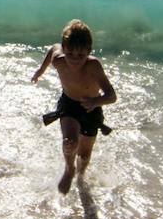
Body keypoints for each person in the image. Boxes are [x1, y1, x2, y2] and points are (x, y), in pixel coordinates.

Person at [31, 18, 115, 195]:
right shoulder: (59, 59)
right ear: (65, 49)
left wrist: (95, 101)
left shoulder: (94, 66)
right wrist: (41, 70)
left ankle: (80, 175)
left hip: (91, 109)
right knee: (70, 142)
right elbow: (53, 48)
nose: (75, 60)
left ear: (89, 52)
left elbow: (111, 96)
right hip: (69, 104)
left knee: (84, 155)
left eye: (81, 55)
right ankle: (69, 169)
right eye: (70, 54)